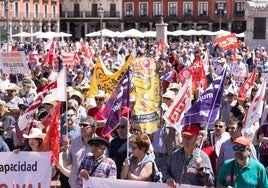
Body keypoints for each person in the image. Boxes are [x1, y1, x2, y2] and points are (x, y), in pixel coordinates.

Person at [61, 116, 97, 188]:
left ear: (93, 128)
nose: (82, 127)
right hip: (74, 184)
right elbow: (67, 163)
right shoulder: (75, 142)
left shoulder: (99, 144)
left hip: (91, 184)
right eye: (81, 125)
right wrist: (65, 149)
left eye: (85, 125)